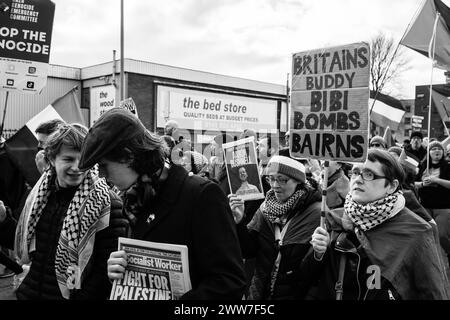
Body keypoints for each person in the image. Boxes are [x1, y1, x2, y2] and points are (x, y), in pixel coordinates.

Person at [78, 108, 246, 299]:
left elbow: (230, 282)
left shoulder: (201, 194)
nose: (102, 176)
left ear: (128, 156)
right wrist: (119, 275)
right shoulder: (132, 200)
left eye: (104, 166)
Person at [0, 123, 128, 300]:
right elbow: (24, 244)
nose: (77, 167)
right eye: (68, 159)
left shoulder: (107, 202)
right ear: (52, 159)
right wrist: (3, 220)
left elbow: (103, 270)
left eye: (83, 159)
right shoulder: (38, 195)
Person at [310, 148, 450, 300]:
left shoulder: (416, 232)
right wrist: (317, 254)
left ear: (391, 186)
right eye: (355, 172)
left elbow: (433, 292)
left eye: (369, 174)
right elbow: (308, 281)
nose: (358, 179)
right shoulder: (334, 219)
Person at [229, 155, 322, 299]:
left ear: (298, 181)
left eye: (282, 180)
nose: (275, 185)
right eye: (271, 178)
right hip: (258, 294)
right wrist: (239, 222)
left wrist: (319, 253)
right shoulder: (265, 208)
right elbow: (248, 251)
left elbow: (314, 271)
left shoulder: (315, 213)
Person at [415, 140, 450, 265]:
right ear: (429, 152)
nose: (437, 151)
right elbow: (412, 184)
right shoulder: (422, 166)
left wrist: (437, 180)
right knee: (425, 236)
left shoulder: (448, 166)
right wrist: (423, 184)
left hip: (443, 207)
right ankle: (428, 262)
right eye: (433, 149)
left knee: (442, 236)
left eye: (439, 149)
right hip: (425, 206)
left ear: (443, 152)